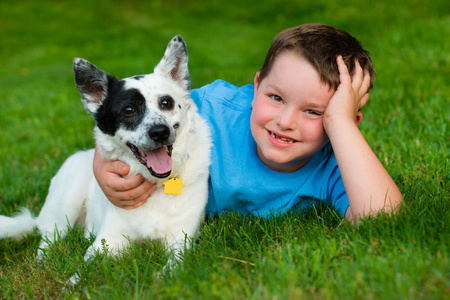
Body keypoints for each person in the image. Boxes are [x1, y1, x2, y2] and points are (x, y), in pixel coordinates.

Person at [92, 23, 402, 221]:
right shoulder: (211, 107)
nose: (285, 121)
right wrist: (101, 168)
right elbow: (125, 118)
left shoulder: (335, 166)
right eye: (276, 98)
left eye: (315, 112)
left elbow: (383, 219)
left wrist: (341, 126)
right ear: (256, 86)